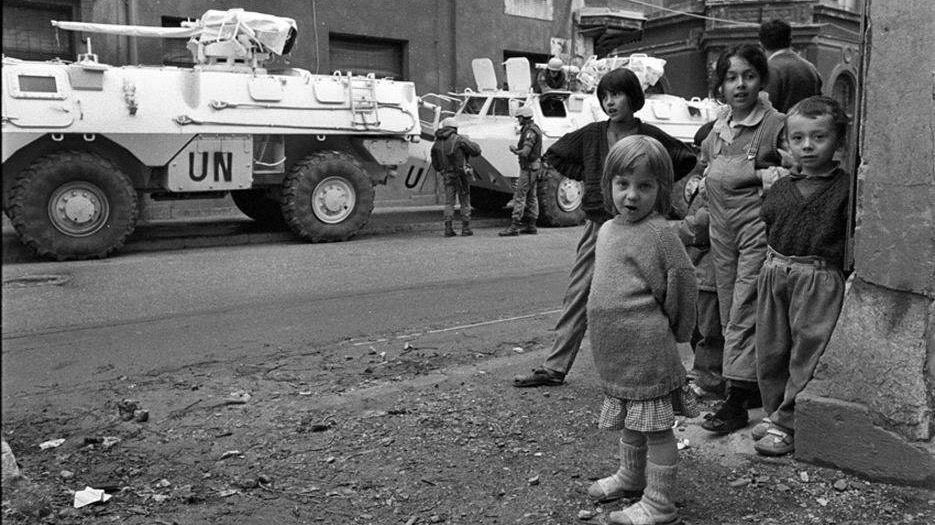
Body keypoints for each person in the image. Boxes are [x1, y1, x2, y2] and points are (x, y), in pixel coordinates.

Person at [512, 67, 696, 387]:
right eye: (605, 96)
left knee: (659, 293)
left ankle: (694, 369)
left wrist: (660, 187)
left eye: (618, 95)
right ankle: (554, 367)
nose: (611, 102)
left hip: (642, 229)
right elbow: (557, 154)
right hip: (599, 227)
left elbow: (684, 157)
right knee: (578, 295)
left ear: (633, 97)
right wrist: (591, 179)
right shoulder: (592, 134)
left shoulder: (649, 135)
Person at [585, 135, 698, 525]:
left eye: (645, 185)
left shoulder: (660, 233)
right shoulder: (607, 230)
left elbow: (682, 283)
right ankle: (632, 477)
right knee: (632, 421)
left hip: (648, 352)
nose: (631, 195)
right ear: (609, 185)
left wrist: (679, 331)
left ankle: (660, 504)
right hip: (616, 354)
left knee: (656, 429)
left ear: (661, 189)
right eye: (623, 184)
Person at [696, 44, 787, 434]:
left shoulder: (775, 124)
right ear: (721, 85)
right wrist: (696, 184)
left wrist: (774, 173)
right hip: (720, 232)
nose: (740, 85)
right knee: (728, 305)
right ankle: (745, 385)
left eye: (748, 76)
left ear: (761, 80)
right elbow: (705, 166)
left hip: (755, 231)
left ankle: (736, 399)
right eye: (731, 77)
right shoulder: (719, 126)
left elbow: (798, 163)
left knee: (745, 309)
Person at [752, 96, 850, 456]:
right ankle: (773, 411)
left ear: (837, 141)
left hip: (817, 277)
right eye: (798, 138)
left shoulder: (845, 189)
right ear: (787, 142)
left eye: (818, 137)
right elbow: (766, 227)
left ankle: (790, 422)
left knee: (807, 352)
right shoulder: (778, 188)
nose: (807, 146)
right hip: (775, 271)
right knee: (771, 349)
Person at [676, 123, 725, 398]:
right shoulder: (708, 177)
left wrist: (680, 231)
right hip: (700, 269)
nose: (701, 156)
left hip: (710, 272)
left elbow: (702, 222)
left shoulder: (717, 181)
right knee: (701, 329)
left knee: (709, 331)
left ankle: (709, 380)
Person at [430, 117, 482, 237]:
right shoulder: (459, 139)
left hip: (446, 174)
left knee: (449, 202)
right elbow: (477, 151)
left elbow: (436, 164)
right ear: (455, 128)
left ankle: (448, 229)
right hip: (461, 175)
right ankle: (466, 228)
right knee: (464, 201)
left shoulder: (437, 142)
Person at [759, 19, 823, 113]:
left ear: (761, 45)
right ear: (790, 40)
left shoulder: (768, 69)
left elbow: (762, 111)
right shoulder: (810, 68)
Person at [499, 105, 542, 236]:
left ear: (524, 117)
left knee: (520, 196)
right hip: (534, 167)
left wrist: (515, 150)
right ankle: (531, 225)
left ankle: (514, 226)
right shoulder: (534, 129)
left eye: (519, 117)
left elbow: (525, 152)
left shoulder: (529, 132)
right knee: (531, 197)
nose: (518, 120)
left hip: (528, 168)